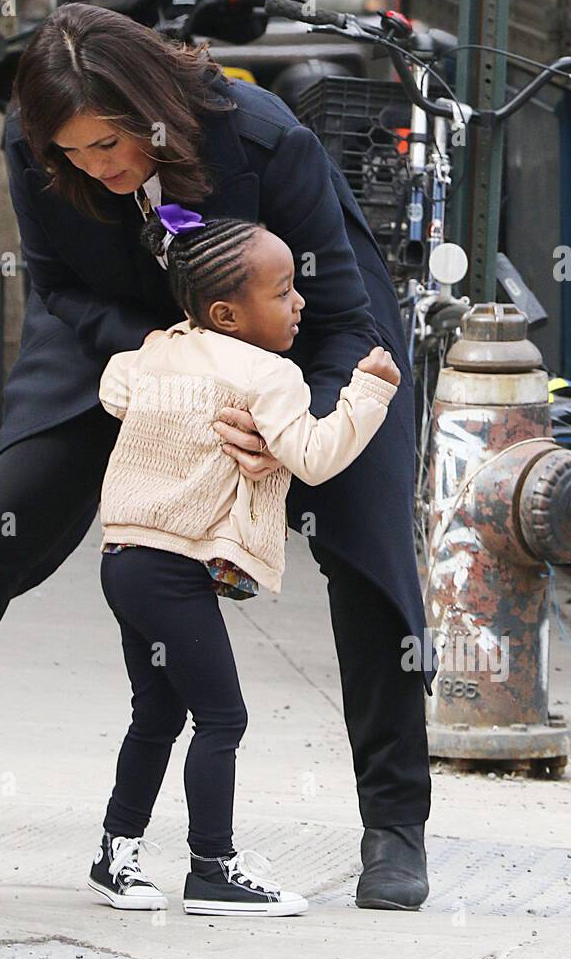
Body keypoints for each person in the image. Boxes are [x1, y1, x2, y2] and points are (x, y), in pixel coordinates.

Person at [0, 3, 434, 911]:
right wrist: (175, 366)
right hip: (116, 340)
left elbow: (338, 304)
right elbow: (56, 285)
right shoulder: (38, 143)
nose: (97, 165)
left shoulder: (261, 137)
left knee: (366, 549)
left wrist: (301, 425)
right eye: (76, 153)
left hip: (305, 347)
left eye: (111, 144)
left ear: (152, 107)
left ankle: (394, 825)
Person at [89, 206, 400, 917]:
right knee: (223, 719)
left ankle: (117, 856)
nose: (300, 303)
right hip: (172, 568)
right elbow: (316, 458)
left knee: (157, 716)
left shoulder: (159, 350)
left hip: (125, 560)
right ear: (229, 314)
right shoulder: (271, 376)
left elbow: (113, 386)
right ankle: (212, 868)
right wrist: (370, 391)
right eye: (283, 291)